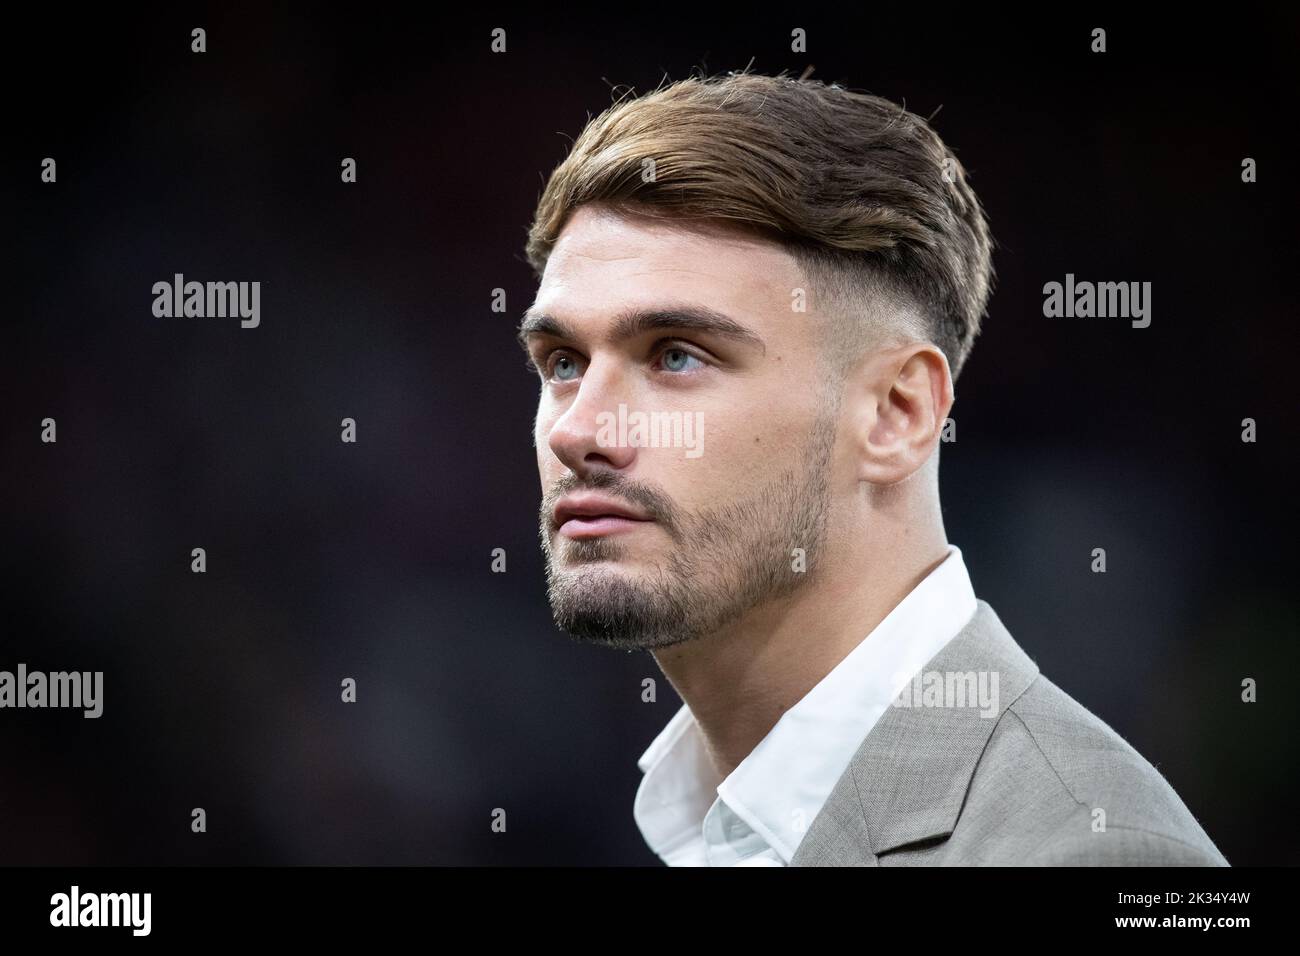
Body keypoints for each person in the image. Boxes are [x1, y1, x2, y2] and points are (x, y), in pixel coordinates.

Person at [515, 71, 1227, 866]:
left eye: (677, 356)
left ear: (898, 413)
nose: (580, 429)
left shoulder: (1093, 851)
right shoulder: (708, 822)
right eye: (564, 362)